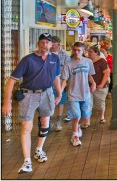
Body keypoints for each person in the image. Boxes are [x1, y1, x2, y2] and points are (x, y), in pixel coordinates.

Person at [2, 33, 62, 173]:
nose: (45, 45)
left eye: (47, 42)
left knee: (45, 122)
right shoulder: (28, 60)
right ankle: (27, 161)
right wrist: (7, 102)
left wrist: (59, 93)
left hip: (47, 93)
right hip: (28, 95)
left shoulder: (55, 59)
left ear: (51, 44)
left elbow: (56, 77)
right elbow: (11, 81)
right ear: (38, 44)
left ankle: (39, 150)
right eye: (42, 42)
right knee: (26, 127)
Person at [61, 42, 96, 147]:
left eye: (79, 50)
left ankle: (78, 126)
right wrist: (60, 93)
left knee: (85, 116)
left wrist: (93, 83)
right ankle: (75, 136)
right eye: (75, 50)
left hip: (85, 94)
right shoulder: (68, 64)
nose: (76, 52)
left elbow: (89, 75)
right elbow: (64, 80)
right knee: (76, 116)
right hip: (73, 94)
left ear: (83, 51)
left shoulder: (88, 62)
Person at [50, 35, 72, 132]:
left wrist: (67, 82)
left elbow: (69, 70)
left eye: (52, 43)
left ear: (58, 44)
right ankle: (48, 122)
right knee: (49, 102)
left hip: (61, 83)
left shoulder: (65, 55)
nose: (50, 45)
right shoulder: (47, 53)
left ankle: (58, 122)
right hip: (48, 83)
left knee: (61, 102)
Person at [87, 46, 110, 125]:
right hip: (88, 86)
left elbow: (106, 73)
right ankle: (87, 121)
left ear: (96, 53)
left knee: (100, 103)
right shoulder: (87, 60)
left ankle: (101, 117)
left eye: (90, 52)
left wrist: (101, 84)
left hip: (100, 87)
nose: (88, 53)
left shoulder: (102, 61)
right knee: (88, 104)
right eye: (88, 51)